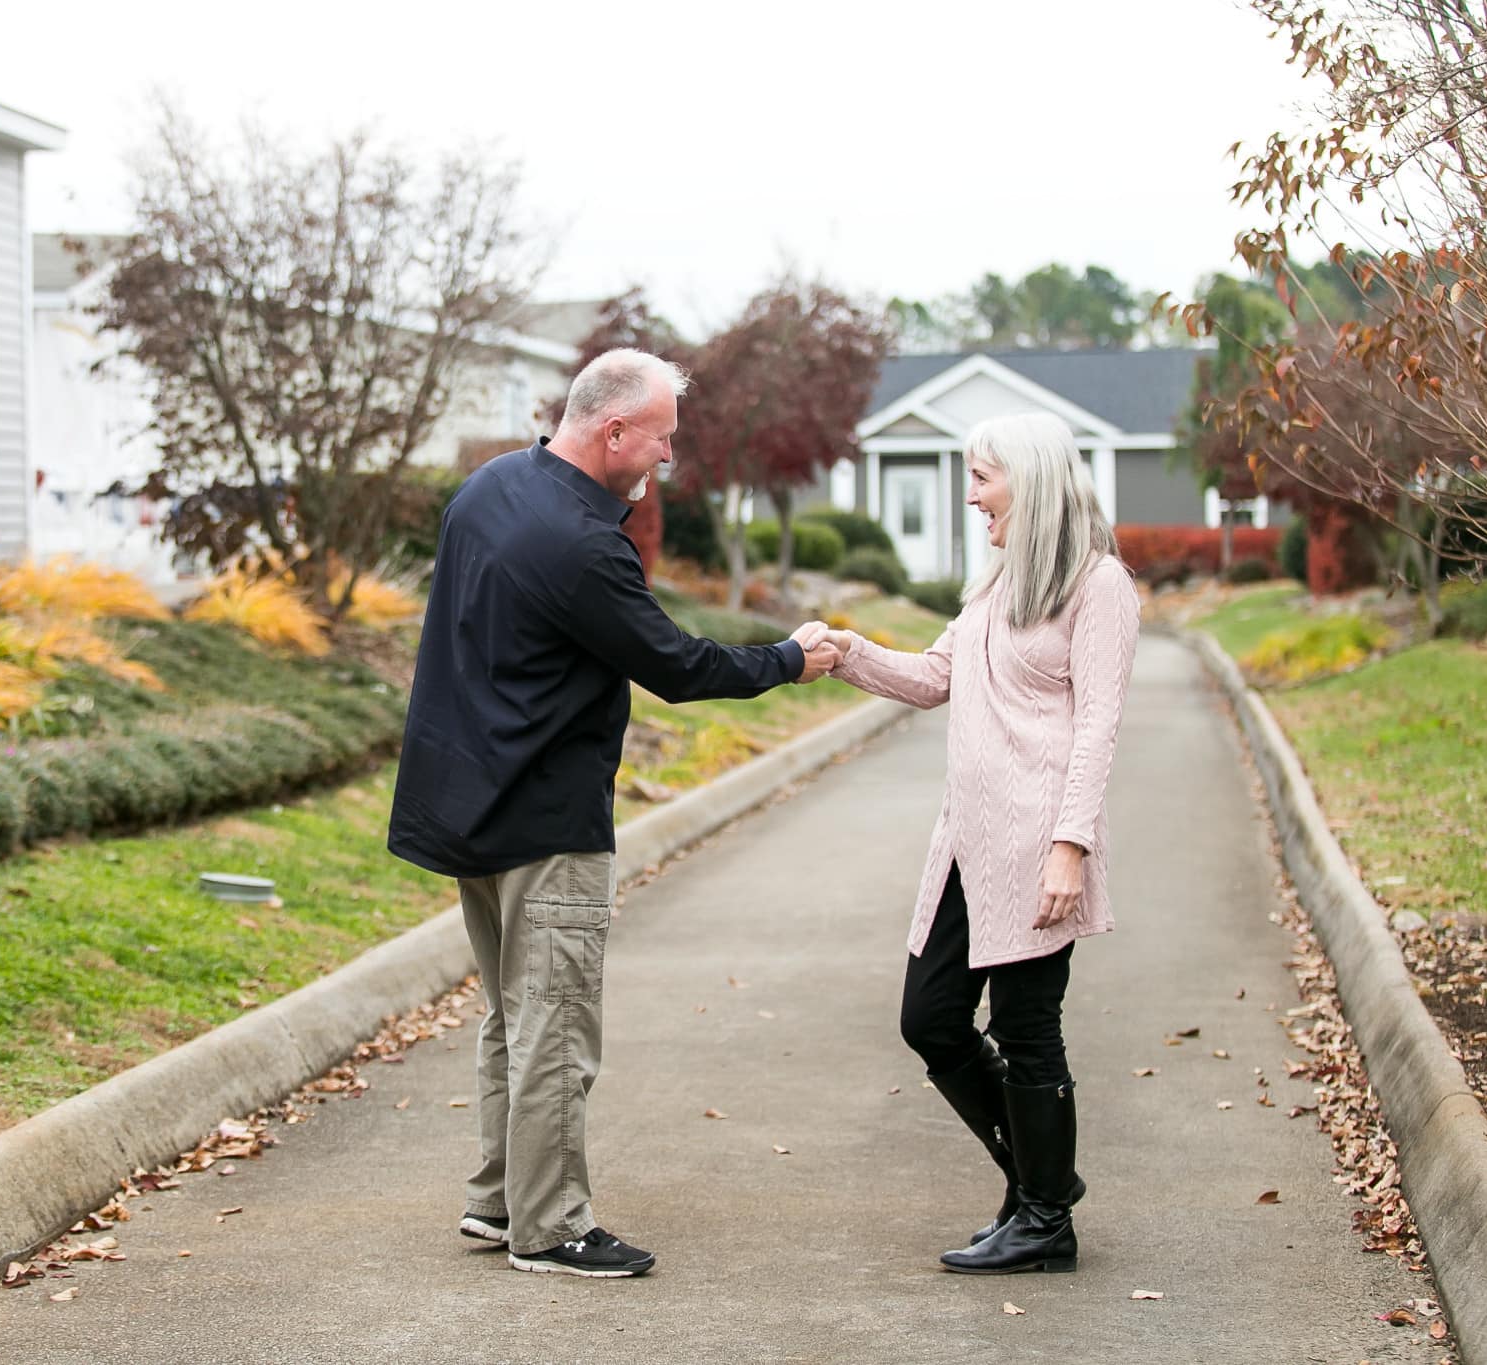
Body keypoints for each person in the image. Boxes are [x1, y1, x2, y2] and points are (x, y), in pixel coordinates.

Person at [387, 348, 839, 1278]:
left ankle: (498, 1198)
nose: (667, 458)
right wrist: (791, 657)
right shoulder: (583, 546)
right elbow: (678, 665)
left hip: (471, 803)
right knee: (554, 1026)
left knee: (515, 1017)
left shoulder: (488, 490)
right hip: (546, 819)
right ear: (614, 429)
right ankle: (549, 1227)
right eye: (663, 438)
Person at [801, 410, 1140, 1275]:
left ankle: (1043, 1218)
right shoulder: (993, 586)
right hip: (966, 846)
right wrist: (846, 651)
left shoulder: (1098, 585)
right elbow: (932, 678)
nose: (971, 495)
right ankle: (1040, 1182)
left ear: (1029, 477)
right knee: (932, 1018)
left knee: (1028, 1029)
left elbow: (1098, 723)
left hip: (1036, 847)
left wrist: (1071, 844)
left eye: (982, 476)